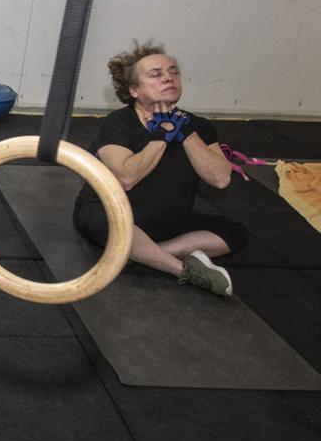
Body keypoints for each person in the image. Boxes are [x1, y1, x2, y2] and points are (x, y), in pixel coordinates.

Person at [73, 41, 247, 296]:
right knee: (111, 223)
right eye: (156, 75)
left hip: (168, 222)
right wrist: (161, 136)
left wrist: (185, 132)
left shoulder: (199, 126)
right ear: (133, 89)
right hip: (113, 215)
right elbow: (126, 178)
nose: (168, 78)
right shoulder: (118, 123)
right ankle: (182, 270)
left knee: (236, 233)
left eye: (173, 72)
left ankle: (145, 254)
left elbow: (220, 179)